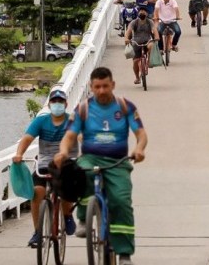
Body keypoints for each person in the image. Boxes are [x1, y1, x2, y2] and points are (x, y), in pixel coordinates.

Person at [53, 67, 148, 265]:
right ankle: (83, 218)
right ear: (91, 87)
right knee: (82, 175)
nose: (102, 91)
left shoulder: (125, 106)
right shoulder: (83, 109)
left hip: (118, 162)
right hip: (91, 158)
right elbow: (69, 136)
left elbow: (141, 134)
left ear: (112, 85)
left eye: (106, 86)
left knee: (121, 202)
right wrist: (63, 152)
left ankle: (124, 253)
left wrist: (139, 149)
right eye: (97, 87)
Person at [12, 88, 77, 248]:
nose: (57, 104)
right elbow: (27, 138)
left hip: (66, 163)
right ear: (49, 104)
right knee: (38, 192)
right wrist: (19, 154)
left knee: (65, 186)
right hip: (44, 164)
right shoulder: (41, 121)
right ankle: (37, 232)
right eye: (54, 101)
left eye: (60, 102)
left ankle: (67, 215)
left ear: (66, 104)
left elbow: (81, 137)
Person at [125, 6, 160, 84]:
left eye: (144, 11)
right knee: (135, 61)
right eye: (141, 11)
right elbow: (129, 31)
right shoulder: (134, 22)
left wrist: (157, 37)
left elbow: (154, 29)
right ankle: (137, 78)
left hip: (147, 40)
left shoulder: (149, 21)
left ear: (147, 13)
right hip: (136, 42)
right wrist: (126, 38)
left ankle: (149, 62)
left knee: (151, 45)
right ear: (138, 13)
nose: (142, 12)